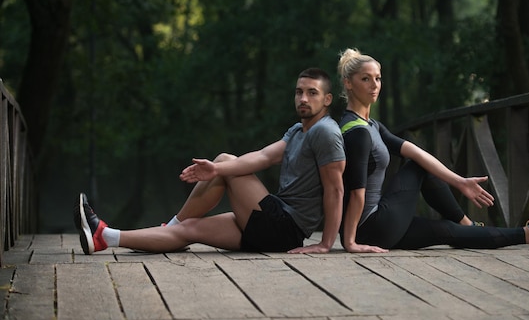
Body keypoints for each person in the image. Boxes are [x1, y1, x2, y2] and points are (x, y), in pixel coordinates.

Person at [74, 68, 346, 255]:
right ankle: (105, 237)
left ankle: (171, 225)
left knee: (226, 161)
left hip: (286, 227)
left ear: (327, 99)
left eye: (312, 93)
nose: (303, 98)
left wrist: (325, 243)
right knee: (189, 230)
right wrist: (216, 170)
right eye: (299, 92)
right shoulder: (299, 130)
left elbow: (335, 190)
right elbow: (264, 156)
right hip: (273, 227)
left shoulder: (325, 131)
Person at [336, 48, 529, 253]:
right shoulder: (358, 132)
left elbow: (416, 151)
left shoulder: (371, 125)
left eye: (378, 78)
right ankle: (469, 223)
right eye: (365, 79)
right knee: (418, 168)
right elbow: (356, 192)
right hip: (369, 226)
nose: (374, 85)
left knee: (448, 231)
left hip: (376, 230)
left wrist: (460, 182)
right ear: (348, 83)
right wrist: (350, 242)